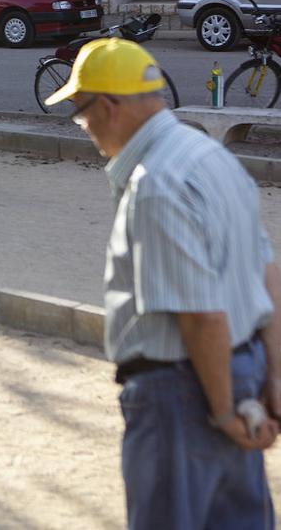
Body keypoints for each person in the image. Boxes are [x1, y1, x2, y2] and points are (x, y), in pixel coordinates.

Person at [45, 38, 281, 530]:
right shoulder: (213, 158)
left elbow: (199, 315)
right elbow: (266, 276)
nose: (84, 127)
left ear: (108, 107)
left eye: (81, 113)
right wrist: (273, 379)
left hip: (184, 391)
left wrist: (220, 411)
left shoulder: (155, 185)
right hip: (241, 370)